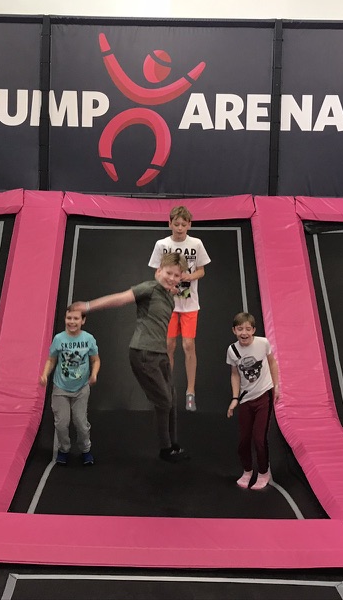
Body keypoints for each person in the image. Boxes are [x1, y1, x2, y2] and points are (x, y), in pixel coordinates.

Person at [72, 251, 189, 462]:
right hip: (143, 353)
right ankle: (165, 449)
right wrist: (88, 306)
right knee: (164, 401)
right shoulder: (149, 288)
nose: (171, 278)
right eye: (168, 273)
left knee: (172, 398)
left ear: (181, 278)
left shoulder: (170, 297)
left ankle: (173, 444)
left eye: (176, 275)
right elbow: (120, 299)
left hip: (160, 353)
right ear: (158, 271)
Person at [148, 205, 211, 412]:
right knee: (169, 344)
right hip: (169, 303)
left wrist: (189, 277)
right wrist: (167, 283)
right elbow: (157, 272)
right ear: (170, 224)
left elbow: (201, 271)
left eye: (184, 224)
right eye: (176, 224)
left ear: (189, 225)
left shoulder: (196, 244)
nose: (180, 228)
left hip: (190, 304)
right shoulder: (162, 244)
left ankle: (190, 391)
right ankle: (167, 388)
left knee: (188, 345)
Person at [39, 304, 100, 466]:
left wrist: (94, 374)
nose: (72, 322)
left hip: (81, 388)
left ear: (83, 321)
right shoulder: (59, 339)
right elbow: (51, 359)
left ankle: (85, 449)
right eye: (69, 318)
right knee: (61, 423)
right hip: (61, 388)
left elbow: (95, 360)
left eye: (76, 319)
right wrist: (45, 374)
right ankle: (64, 449)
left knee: (81, 422)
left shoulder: (88, 339)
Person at [226, 312, 281, 490]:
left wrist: (276, 386)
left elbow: (272, 363)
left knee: (259, 439)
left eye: (248, 329)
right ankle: (247, 471)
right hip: (246, 399)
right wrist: (235, 398)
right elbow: (235, 374)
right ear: (234, 330)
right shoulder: (232, 350)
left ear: (254, 330)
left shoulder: (263, 343)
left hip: (264, 396)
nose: (244, 333)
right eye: (240, 329)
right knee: (244, 440)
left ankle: (264, 472)